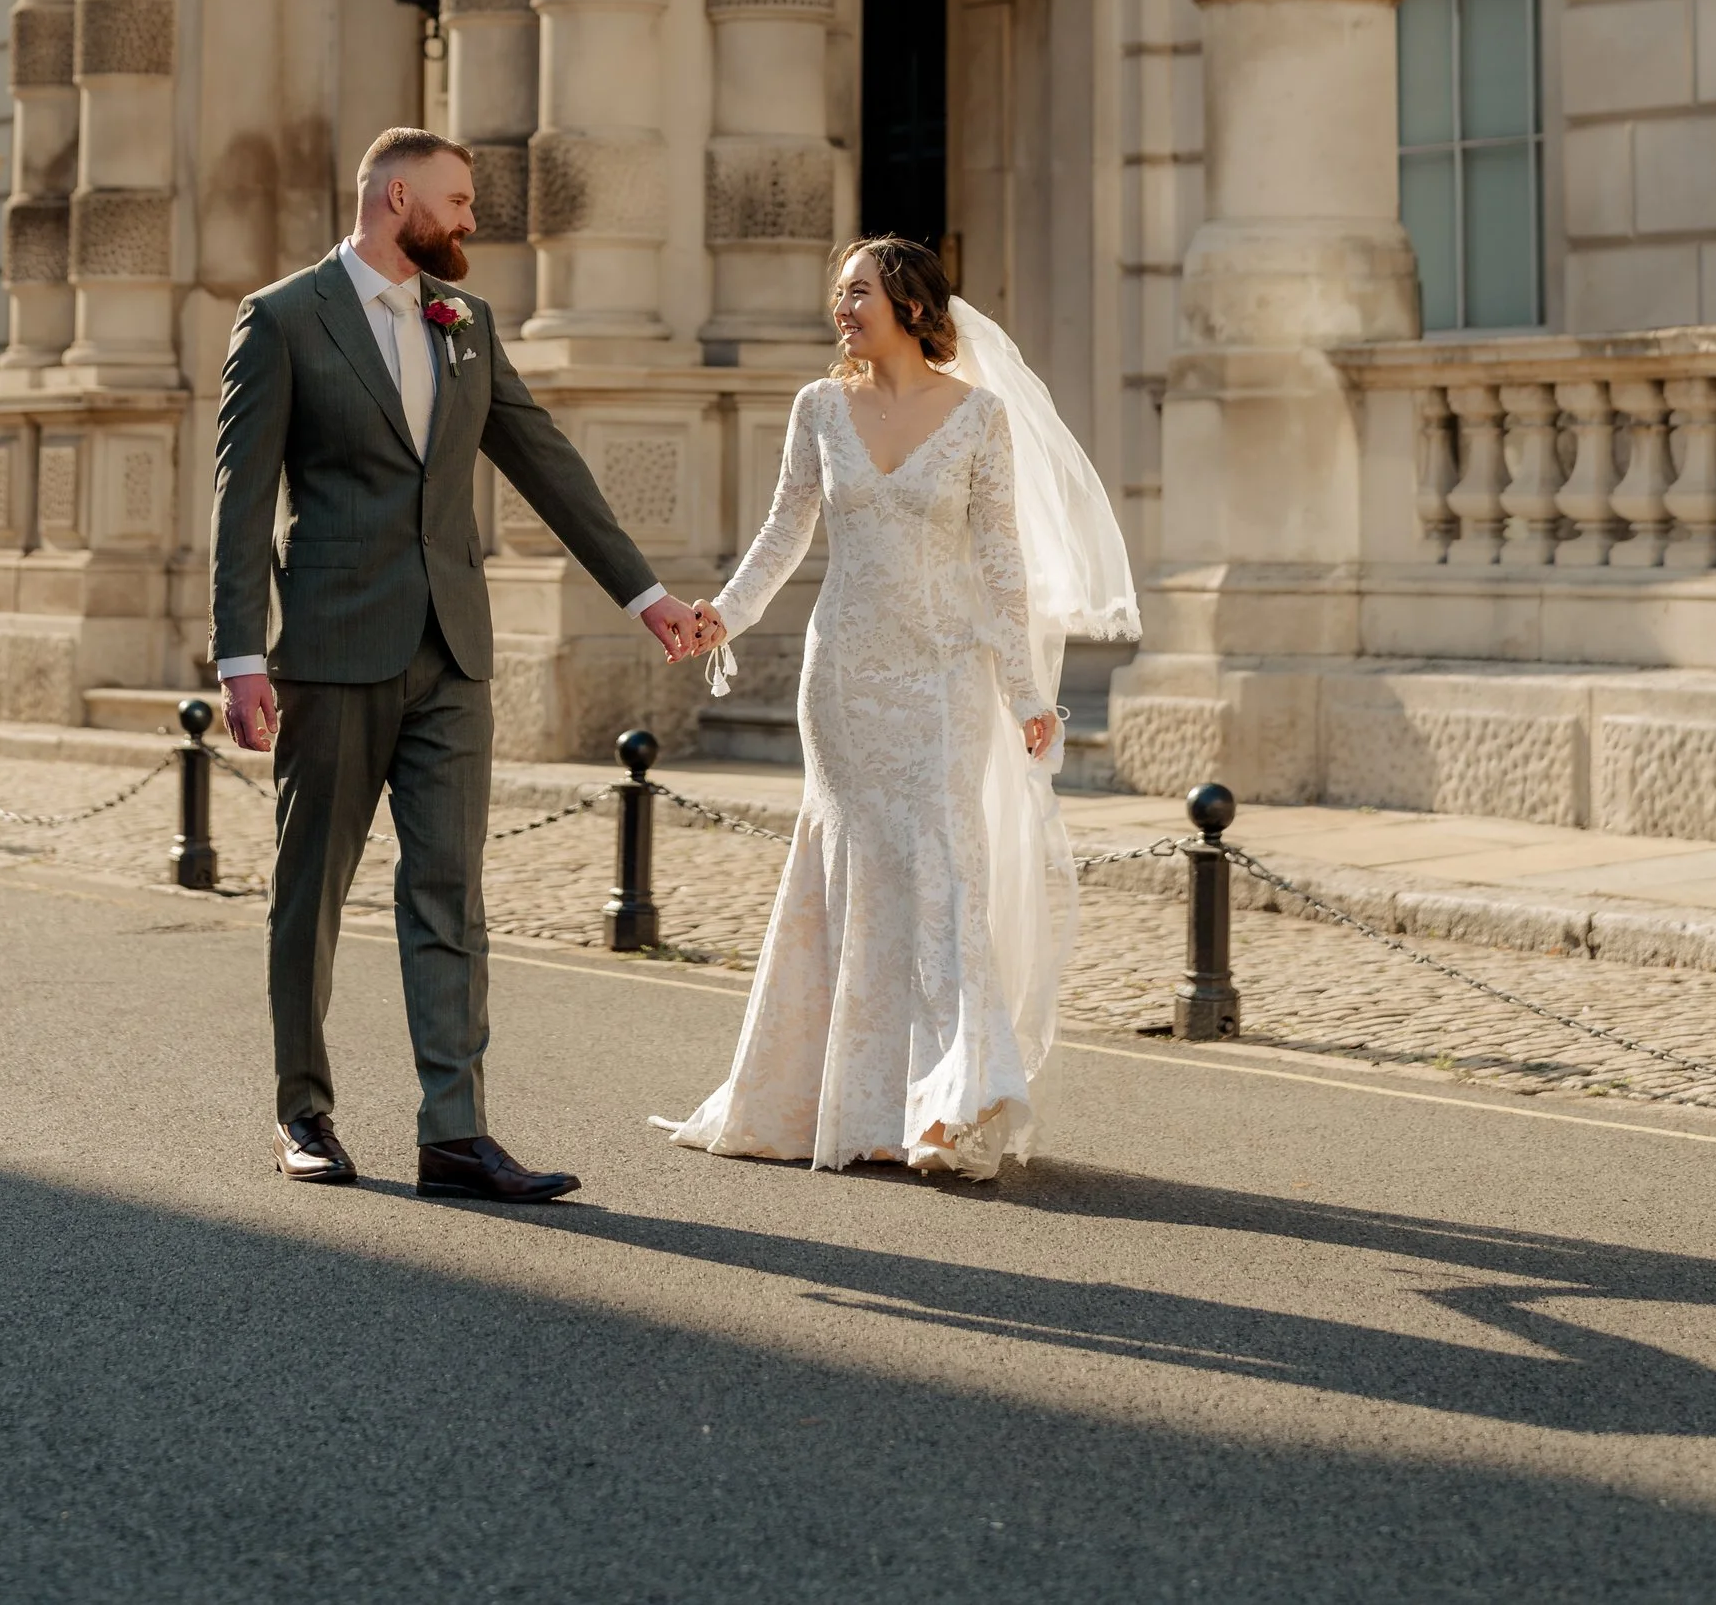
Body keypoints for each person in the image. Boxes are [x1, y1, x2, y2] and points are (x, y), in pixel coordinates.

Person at [211, 127, 700, 1202]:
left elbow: (543, 460)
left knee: (449, 893)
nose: (472, 219)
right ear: (397, 197)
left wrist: (646, 595)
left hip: (453, 652)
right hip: (334, 650)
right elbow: (241, 501)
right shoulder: (284, 318)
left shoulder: (465, 322)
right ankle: (302, 1110)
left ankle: (454, 1131)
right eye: (459, 199)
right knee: (313, 891)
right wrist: (241, 653)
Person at [670, 234, 1139, 1179]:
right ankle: (834, 1099)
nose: (843, 308)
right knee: (850, 863)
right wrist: (724, 614)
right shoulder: (817, 408)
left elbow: (1004, 566)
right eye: (839, 292)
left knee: (944, 863)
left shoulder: (979, 418)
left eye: (861, 293)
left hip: (942, 678)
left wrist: (1027, 689)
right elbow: (781, 534)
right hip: (842, 673)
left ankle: (950, 1102)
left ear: (913, 307)